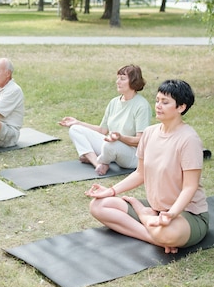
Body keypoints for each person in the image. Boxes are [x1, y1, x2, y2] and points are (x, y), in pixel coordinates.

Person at [86, 79, 209, 254]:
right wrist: (110, 191)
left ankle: (145, 217)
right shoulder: (150, 133)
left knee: (168, 233)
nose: (158, 105)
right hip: (157, 210)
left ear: (181, 107)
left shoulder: (189, 139)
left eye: (165, 102)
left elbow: (190, 186)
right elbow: (140, 174)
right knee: (97, 206)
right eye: (157, 100)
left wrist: (171, 214)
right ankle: (153, 235)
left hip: (187, 214)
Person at [59, 64, 152, 175]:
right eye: (117, 78)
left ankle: (97, 158)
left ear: (133, 81)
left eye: (122, 79)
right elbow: (102, 130)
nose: (117, 82)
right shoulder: (113, 102)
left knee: (110, 144)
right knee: (75, 129)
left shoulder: (142, 105)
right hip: (111, 145)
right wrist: (77, 122)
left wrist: (120, 138)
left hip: (131, 154)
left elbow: (140, 140)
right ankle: (98, 164)